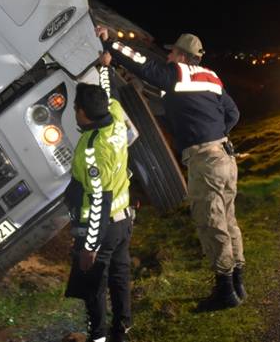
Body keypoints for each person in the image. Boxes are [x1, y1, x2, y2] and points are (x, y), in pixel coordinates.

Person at [97, 29, 244, 311]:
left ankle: (225, 290)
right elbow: (233, 113)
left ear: (183, 57)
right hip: (225, 156)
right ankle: (238, 283)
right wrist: (214, 134)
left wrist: (109, 42)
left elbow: (140, 63)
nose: (168, 56)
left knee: (211, 222)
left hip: (206, 160)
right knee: (228, 219)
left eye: (172, 52)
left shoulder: (177, 74)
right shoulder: (210, 78)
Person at [64, 83, 134, 342]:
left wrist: (90, 247)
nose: (74, 112)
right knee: (120, 276)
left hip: (103, 229)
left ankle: (98, 337)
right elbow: (110, 93)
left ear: (82, 113)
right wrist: (104, 67)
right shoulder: (115, 117)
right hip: (124, 221)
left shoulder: (92, 151)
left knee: (94, 286)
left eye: (75, 108)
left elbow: (99, 203)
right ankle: (122, 331)